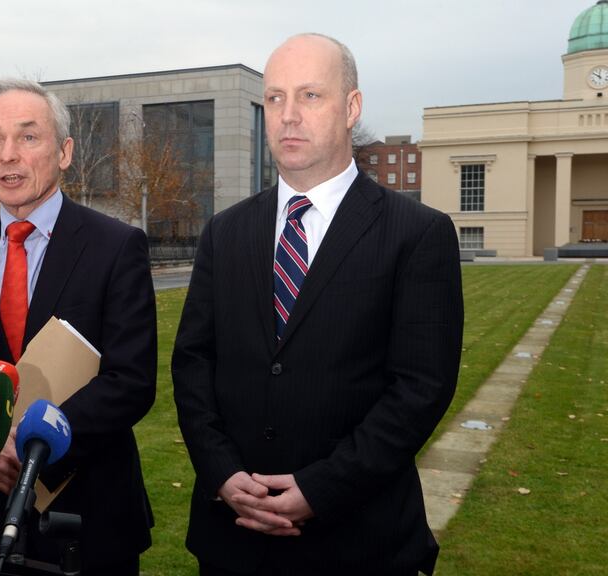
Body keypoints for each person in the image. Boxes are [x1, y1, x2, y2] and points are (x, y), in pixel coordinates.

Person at [172, 33, 464, 576]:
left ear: (352, 107)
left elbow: (420, 389)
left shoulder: (417, 234)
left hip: (359, 543)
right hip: (231, 542)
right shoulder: (225, 232)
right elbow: (193, 364)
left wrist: (322, 488)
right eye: (276, 98)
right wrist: (220, 472)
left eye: (309, 96)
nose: (287, 116)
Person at [0, 78, 156, 576]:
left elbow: (131, 382)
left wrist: (33, 451)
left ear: (65, 152)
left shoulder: (116, 248)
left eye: (28, 137)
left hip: (88, 521)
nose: (8, 155)